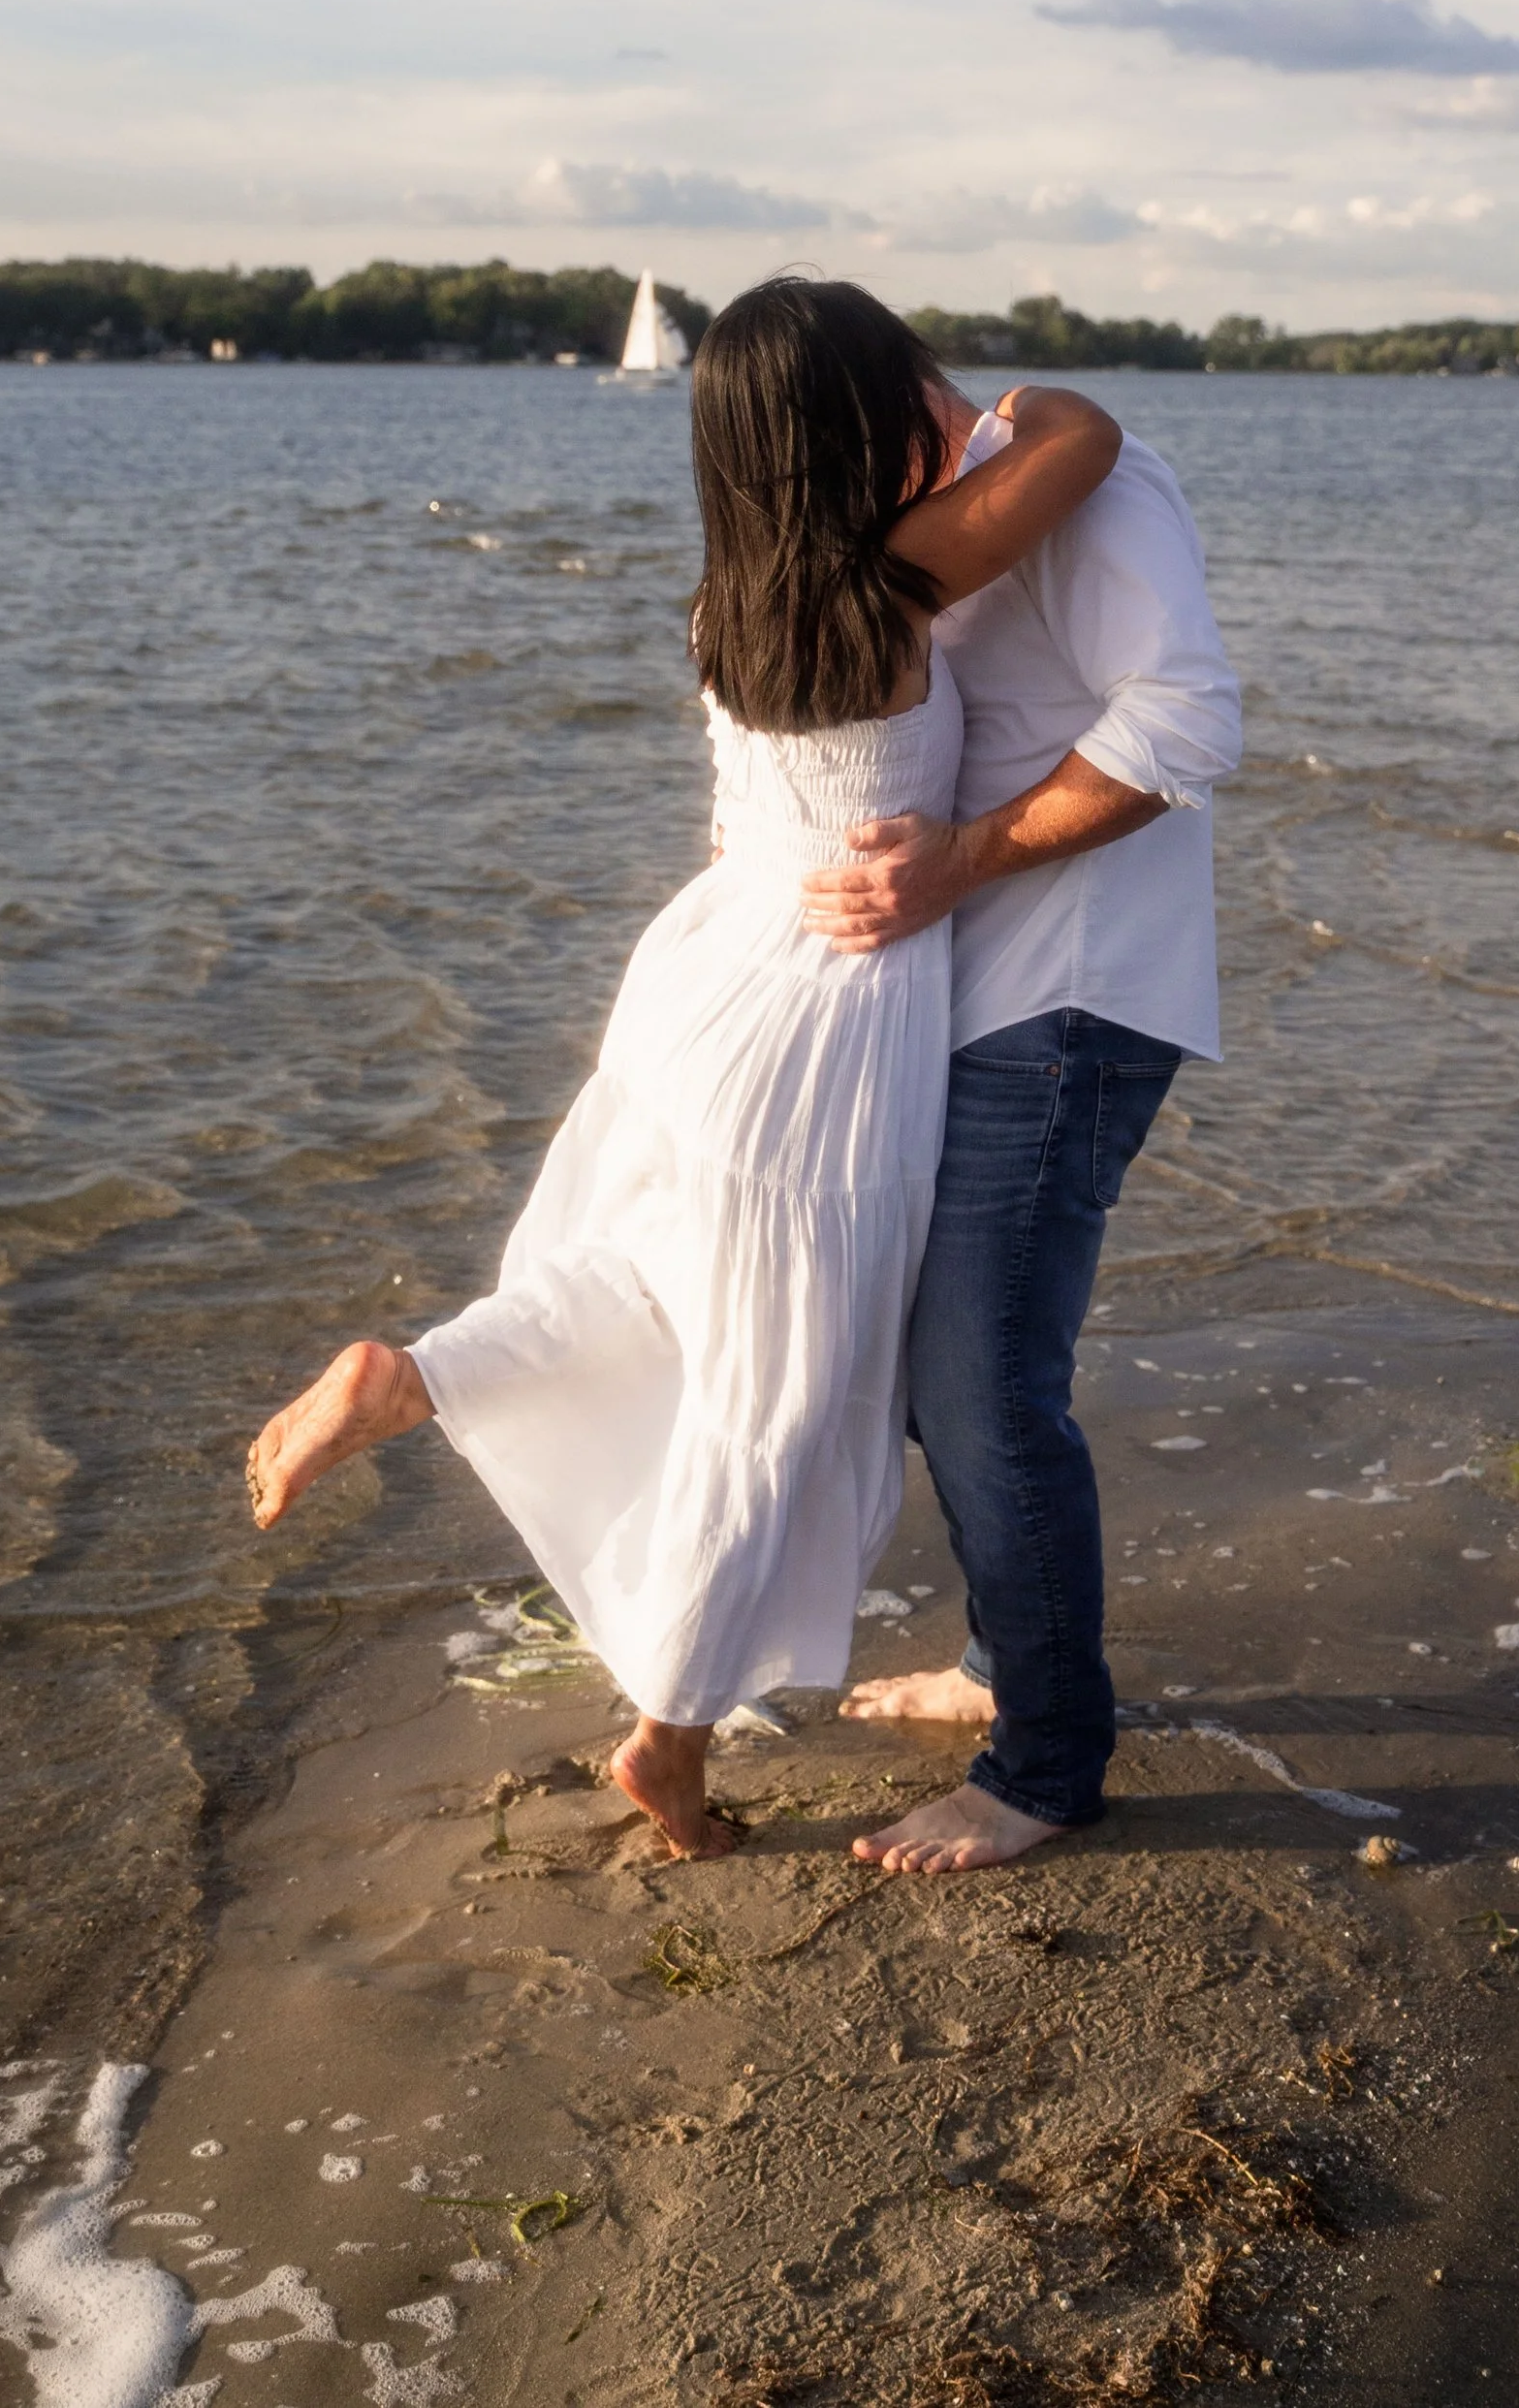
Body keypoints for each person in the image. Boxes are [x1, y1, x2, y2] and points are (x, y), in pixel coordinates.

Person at [242, 280, 1122, 1860]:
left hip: (702, 987)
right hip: (825, 1035)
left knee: (651, 1284)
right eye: (909, 385)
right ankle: (669, 1738)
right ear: (861, 424)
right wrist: (1003, 408)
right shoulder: (900, 579)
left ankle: (421, 1374)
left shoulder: (731, 602)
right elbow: (1085, 436)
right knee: (771, 1400)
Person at [808, 365, 1242, 1875]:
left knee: (987, 1385)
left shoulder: (1088, 486)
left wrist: (962, 860)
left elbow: (1189, 719)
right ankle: (1008, 1670)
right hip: (987, 997)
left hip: (1075, 1000)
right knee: (951, 1375)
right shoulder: (980, 500)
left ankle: (1045, 1765)